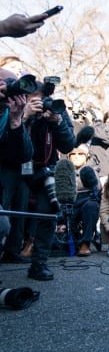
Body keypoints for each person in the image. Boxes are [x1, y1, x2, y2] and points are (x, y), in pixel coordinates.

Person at [22, 80, 76, 280]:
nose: (41, 103)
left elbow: (68, 145)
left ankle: (39, 263)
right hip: (16, 166)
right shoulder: (18, 105)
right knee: (9, 210)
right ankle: (10, 251)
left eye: (43, 99)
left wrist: (58, 122)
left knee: (48, 213)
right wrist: (26, 116)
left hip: (46, 170)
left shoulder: (56, 110)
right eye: (34, 99)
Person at [0, 68, 33, 261]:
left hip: (12, 172)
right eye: (9, 83)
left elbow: (24, 155)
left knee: (4, 224)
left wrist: (16, 121)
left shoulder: (10, 113)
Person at [66, 144, 101, 257]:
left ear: (86, 157)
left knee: (91, 206)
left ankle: (86, 243)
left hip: (85, 202)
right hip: (68, 203)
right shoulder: (63, 171)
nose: (76, 156)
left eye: (80, 154)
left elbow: (97, 189)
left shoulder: (91, 171)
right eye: (73, 154)